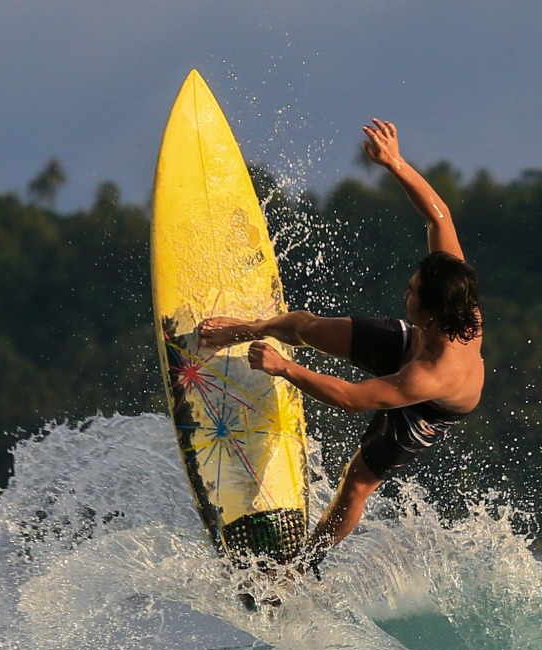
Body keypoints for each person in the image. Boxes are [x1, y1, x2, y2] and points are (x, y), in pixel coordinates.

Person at [199, 118, 484, 573]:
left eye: (411, 294)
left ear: (429, 313)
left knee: (356, 483)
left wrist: (284, 369)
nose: (404, 294)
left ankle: (304, 566)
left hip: (429, 410)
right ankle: (249, 328)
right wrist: (395, 162)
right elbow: (440, 215)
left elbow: (352, 400)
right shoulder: (452, 291)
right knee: (309, 327)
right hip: (413, 345)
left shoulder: (431, 375)